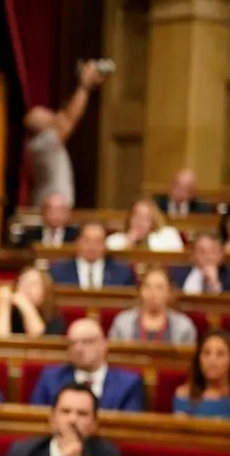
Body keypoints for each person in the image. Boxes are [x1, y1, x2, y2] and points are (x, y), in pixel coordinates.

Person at [24, 61, 107, 207]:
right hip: (51, 207)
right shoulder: (44, 143)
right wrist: (84, 85)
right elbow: (70, 119)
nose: (52, 114)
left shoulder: (37, 143)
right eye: (45, 114)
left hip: (49, 203)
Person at [28, 317, 146, 412]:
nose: (78, 348)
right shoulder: (51, 379)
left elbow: (130, 427)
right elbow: (37, 420)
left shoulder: (128, 384)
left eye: (87, 342)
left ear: (103, 345)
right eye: (73, 343)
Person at [172, 330, 230, 423]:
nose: (212, 360)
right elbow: (181, 436)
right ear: (199, 359)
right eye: (206, 353)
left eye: (220, 354)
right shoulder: (184, 396)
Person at [106, 268, 197, 346]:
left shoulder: (184, 326)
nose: (153, 293)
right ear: (140, 291)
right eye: (148, 287)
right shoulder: (122, 322)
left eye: (159, 288)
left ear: (169, 292)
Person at [48, 222, 136, 291]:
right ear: (77, 242)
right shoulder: (58, 272)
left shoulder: (122, 273)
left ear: (105, 245)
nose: (92, 246)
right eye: (87, 241)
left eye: (98, 241)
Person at [0, 265, 64, 338]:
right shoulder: (12, 312)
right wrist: (3, 304)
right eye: (22, 282)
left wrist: (25, 304)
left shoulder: (54, 316)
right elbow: (0, 341)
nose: (26, 287)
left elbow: (38, 339)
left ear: (45, 290)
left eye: (33, 284)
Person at [104, 199, 184, 252]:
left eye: (146, 218)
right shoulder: (113, 240)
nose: (140, 222)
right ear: (129, 218)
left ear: (153, 222)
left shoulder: (168, 235)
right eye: (137, 216)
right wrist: (129, 243)